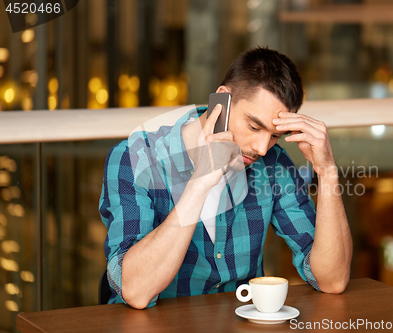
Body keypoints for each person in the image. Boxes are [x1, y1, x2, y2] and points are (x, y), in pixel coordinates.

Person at [99, 47, 352, 309]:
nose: (263, 148)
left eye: (275, 135)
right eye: (254, 127)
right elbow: (135, 290)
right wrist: (200, 182)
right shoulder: (136, 158)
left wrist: (327, 171)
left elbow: (331, 280)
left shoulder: (274, 164)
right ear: (221, 101)